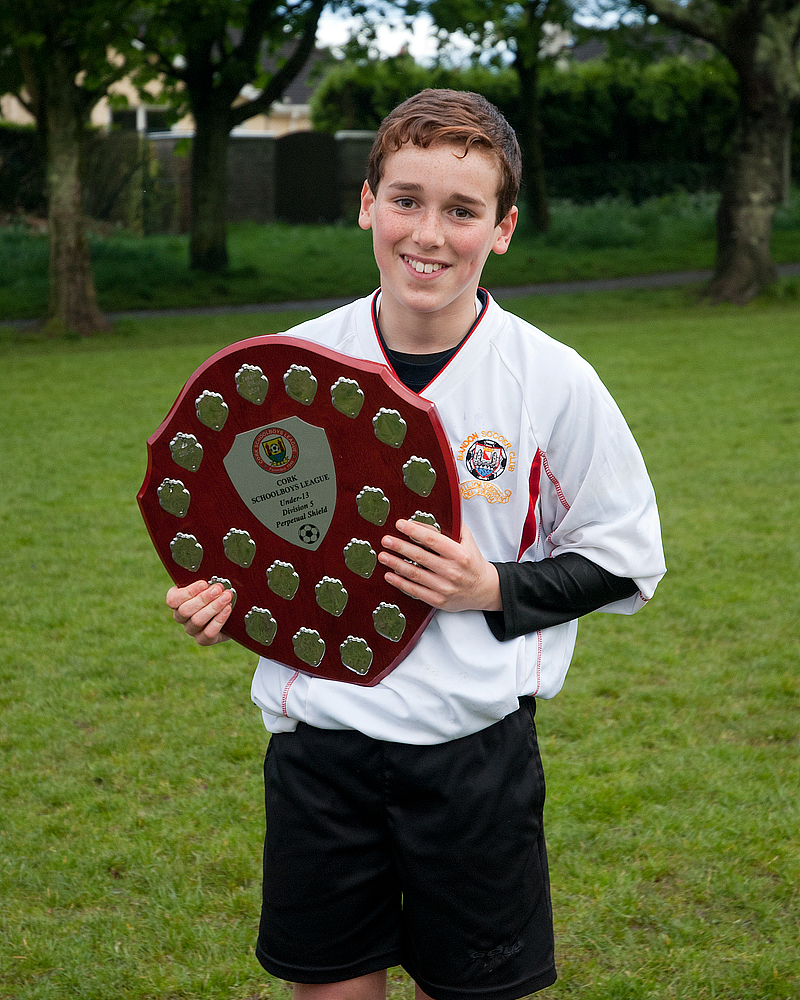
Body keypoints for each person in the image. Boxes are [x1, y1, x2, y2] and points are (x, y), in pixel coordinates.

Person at [167, 89, 666, 1000]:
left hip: (472, 757)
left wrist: (492, 586)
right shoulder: (289, 367)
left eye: (461, 210)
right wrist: (220, 599)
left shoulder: (550, 380)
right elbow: (252, 539)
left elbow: (627, 558)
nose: (428, 234)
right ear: (366, 204)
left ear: (503, 228)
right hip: (322, 750)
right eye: (405, 200)